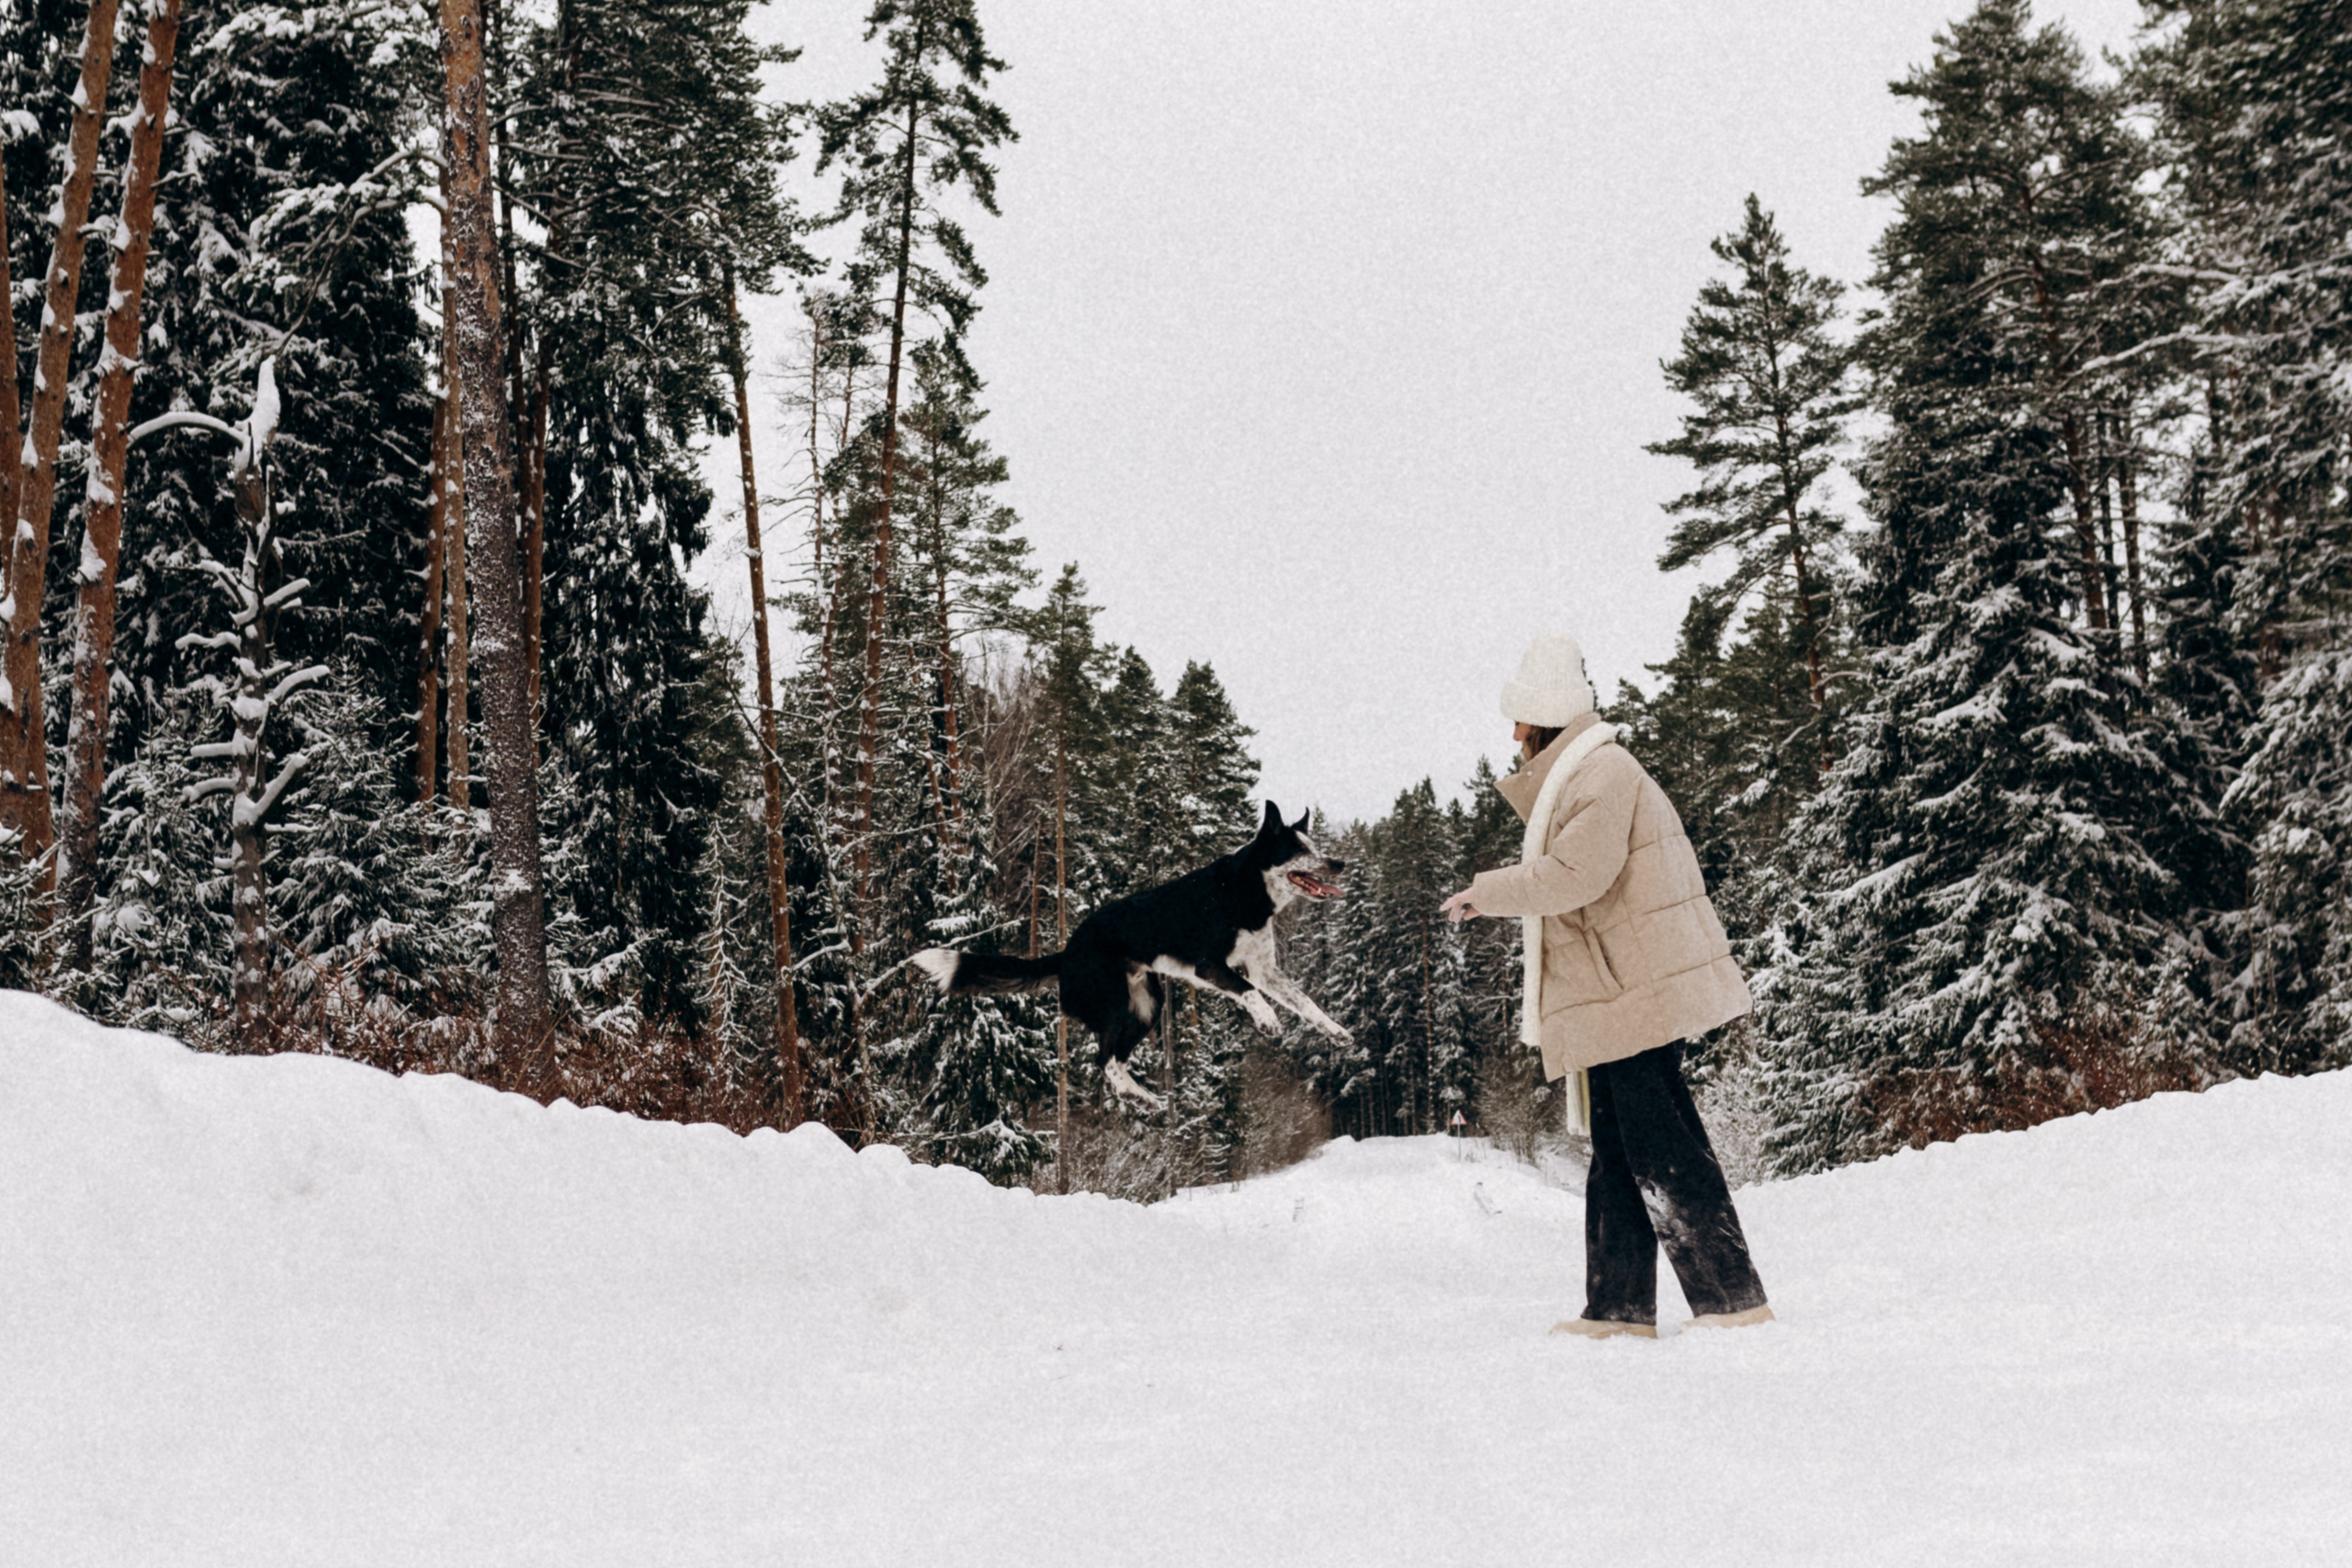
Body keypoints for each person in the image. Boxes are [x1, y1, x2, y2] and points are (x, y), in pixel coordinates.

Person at [1440, 631, 1771, 1339]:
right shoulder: (1588, 774)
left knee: (1662, 1145)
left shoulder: (1603, 773)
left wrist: (1486, 892)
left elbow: (1575, 877)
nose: (1513, 734)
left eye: (1520, 720)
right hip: (1623, 994)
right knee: (1620, 1154)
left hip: (1636, 993)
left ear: (1545, 720)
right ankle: (1619, 1308)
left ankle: (1732, 1301)